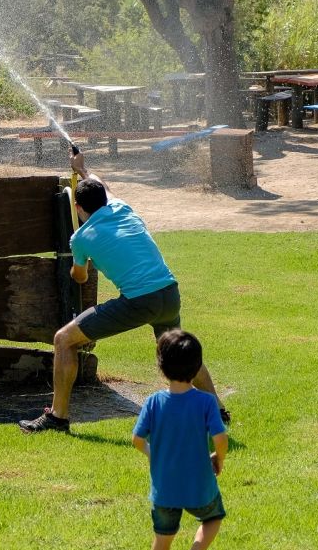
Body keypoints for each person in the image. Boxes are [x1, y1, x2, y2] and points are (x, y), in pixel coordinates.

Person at [19, 148, 229, 432]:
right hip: (169, 292)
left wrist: (76, 265)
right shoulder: (121, 207)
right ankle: (218, 409)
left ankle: (58, 416)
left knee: (63, 339)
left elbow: (79, 278)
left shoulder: (81, 237)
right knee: (178, 352)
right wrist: (82, 169)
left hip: (140, 301)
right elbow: (102, 185)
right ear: (104, 200)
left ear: (78, 209)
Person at [132, 329, 227, 550]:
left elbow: (137, 440)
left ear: (161, 366)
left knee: (162, 538)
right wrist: (218, 458)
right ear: (197, 367)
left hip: (165, 488)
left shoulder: (153, 402)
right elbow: (221, 438)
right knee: (213, 518)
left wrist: (154, 456)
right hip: (200, 484)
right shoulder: (206, 402)